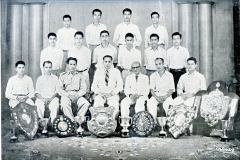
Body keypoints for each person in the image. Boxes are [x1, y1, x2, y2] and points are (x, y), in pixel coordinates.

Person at [57, 57, 90, 122]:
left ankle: (78, 120)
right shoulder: (63, 76)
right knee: (65, 104)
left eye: (74, 64)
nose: (72, 66)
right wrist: (68, 95)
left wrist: (77, 96)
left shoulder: (80, 76)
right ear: (67, 65)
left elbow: (83, 89)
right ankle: (71, 121)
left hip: (77, 94)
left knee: (86, 103)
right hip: (66, 95)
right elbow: (59, 89)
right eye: (71, 64)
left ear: (76, 65)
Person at [91, 55, 123, 120]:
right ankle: (100, 123)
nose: (107, 63)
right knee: (97, 103)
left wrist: (111, 93)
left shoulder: (116, 71)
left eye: (109, 62)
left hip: (112, 94)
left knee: (114, 106)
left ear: (112, 62)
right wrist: (99, 93)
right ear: (103, 62)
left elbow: (120, 86)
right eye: (106, 61)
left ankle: (112, 123)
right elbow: (94, 86)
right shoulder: (98, 72)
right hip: (101, 94)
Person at [85, 9, 107, 88]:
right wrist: (91, 49)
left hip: (100, 47)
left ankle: (101, 87)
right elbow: (87, 40)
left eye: (98, 15)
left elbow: (105, 38)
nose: (97, 17)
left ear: (101, 16)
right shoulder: (89, 27)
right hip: (91, 47)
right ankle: (91, 89)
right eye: (95, 15)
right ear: (92, 16)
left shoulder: (103, 27)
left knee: (101, 67)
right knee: (91, 69)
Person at [167, 32, 189, 98]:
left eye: (177, 39)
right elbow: (167, 64)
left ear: (180, 40)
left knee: (182, 89)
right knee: (173, 91)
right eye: (174, 39)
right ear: (172, 40)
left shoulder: (185, 50)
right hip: (172, 73)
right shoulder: (169, 51)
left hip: (182, 72)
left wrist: (187, 74)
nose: (176, 41)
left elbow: (187, 63)